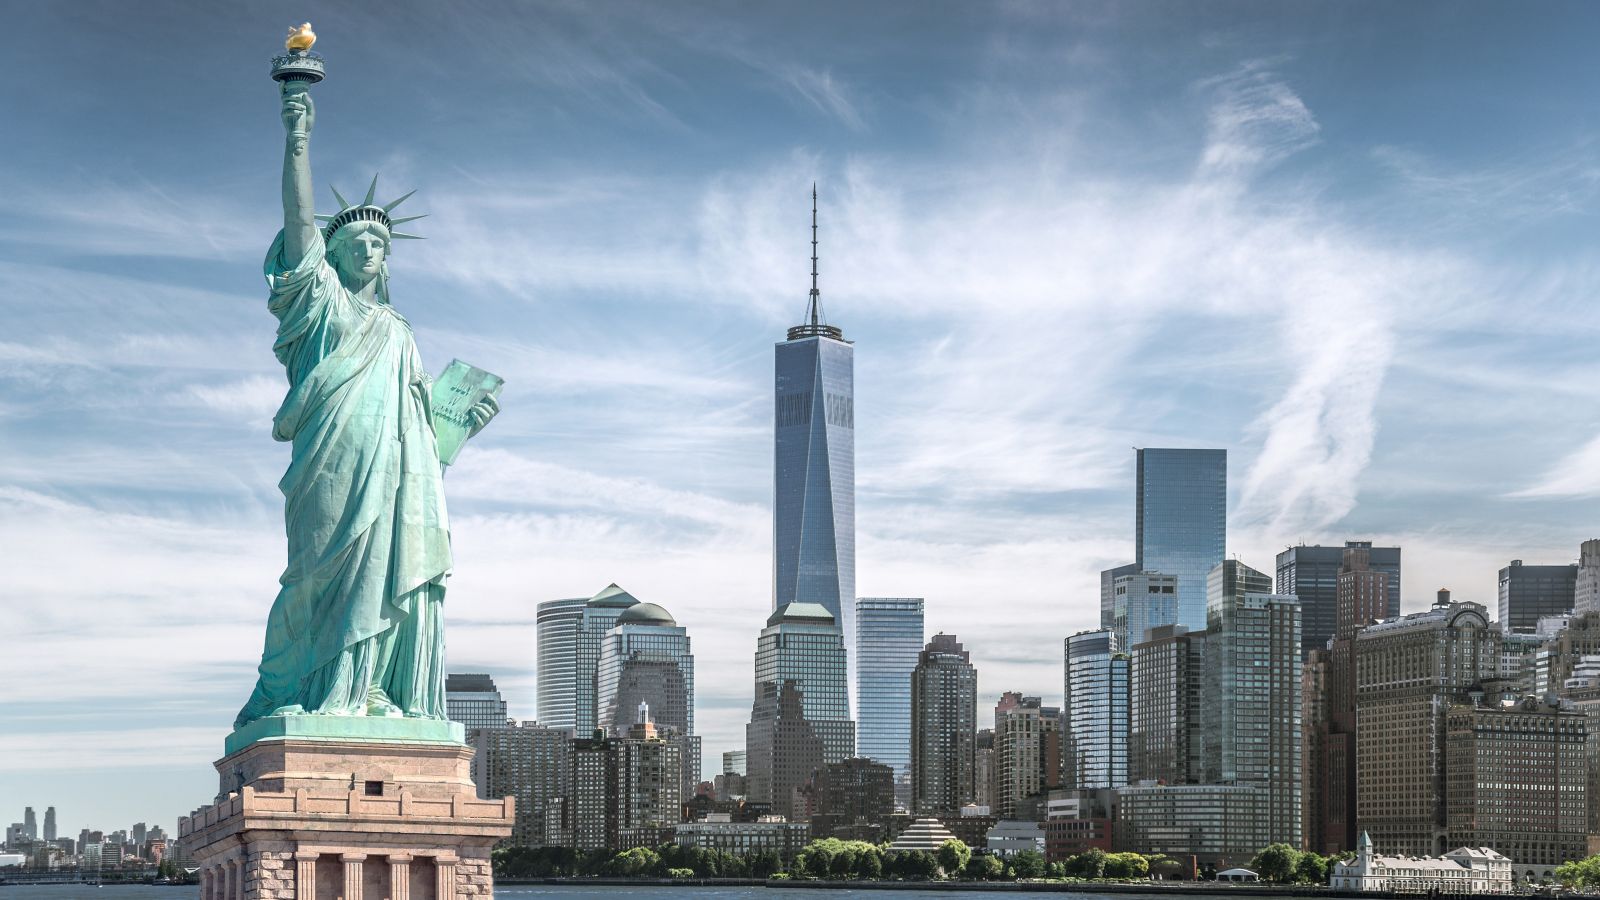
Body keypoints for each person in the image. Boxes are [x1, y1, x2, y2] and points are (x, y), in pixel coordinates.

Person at [233, 78, 498, 728]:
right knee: (315, 576)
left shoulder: (400, 331)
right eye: (355, 241)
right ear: (334, 252)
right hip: (332, 458)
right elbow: (299, 223)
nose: (369, 248)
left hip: (397, 472)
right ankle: (308, 690)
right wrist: (298, 136)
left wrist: (460, 425)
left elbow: (420, 432)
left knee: (385, 573)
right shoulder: (318, 304)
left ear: (386, 259)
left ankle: (367, 690)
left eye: (379, 243)